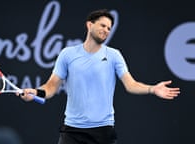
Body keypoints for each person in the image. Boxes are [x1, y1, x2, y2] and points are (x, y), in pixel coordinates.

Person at [17, 9, 180, 144]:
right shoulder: (67, 54)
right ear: (89, 25)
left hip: (103, 131)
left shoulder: (114, 55)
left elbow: (131, 85)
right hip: (72, 132)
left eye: (109, 28)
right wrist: (36, 93)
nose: (106, 30)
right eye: (103, 25)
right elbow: (51, 86)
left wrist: (152, 89)